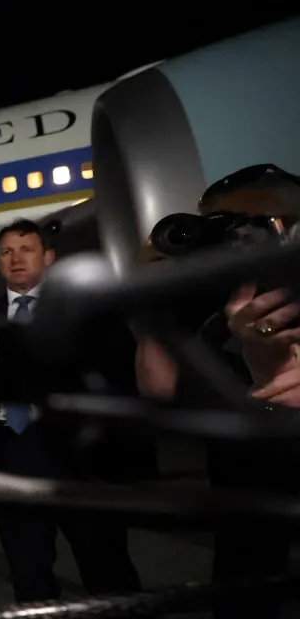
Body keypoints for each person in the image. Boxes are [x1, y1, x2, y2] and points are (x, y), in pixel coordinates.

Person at [135, 163, 300, 619]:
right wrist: (154, 301)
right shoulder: (215, 317)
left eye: (245, 227)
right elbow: (158, 387)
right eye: (218, 228)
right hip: (245, 539)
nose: (229, 242)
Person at [0, 219, 143, 603]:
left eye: (26, 250)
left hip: (82, 469)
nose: (16, 259)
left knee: (108, 574)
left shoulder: (89, 312)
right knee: (29, 579)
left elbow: (122, 381)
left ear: (48, 258)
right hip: (11, 470)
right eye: (6, 252)